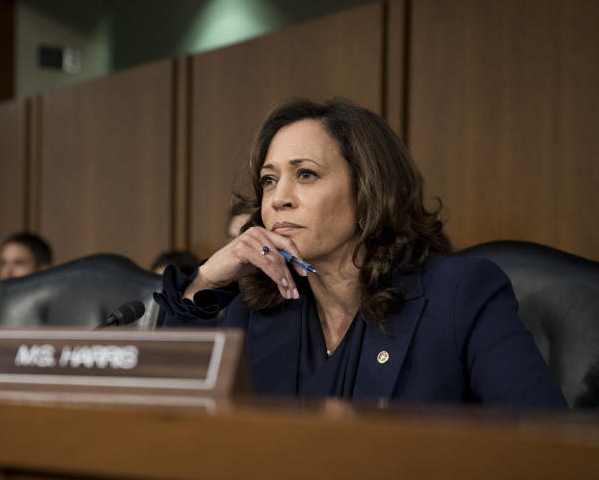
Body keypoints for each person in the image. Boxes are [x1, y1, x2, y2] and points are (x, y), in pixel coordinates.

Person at [154, 98, 566, 407]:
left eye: (306, 175)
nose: (279, 199)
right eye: (268, 180)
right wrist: (206, 281)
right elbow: (171, 418)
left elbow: (546, 445)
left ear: (369, 188)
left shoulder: (461, 295)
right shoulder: (259, 307)